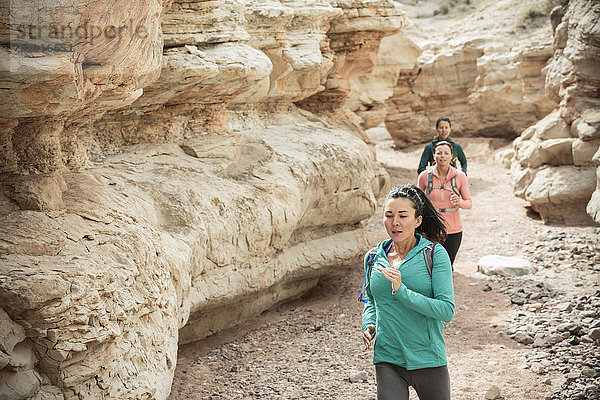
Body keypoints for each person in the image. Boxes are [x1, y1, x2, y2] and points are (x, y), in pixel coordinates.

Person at [361, 184, 455, 400]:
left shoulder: (434, 254)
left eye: (403, 215)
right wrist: (369, 324)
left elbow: (446, 310)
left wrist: (402, 292)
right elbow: (371, 301)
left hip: (428, 359)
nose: (395, 222)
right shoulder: (374, 257)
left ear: (418, 220)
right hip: (388, 358)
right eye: (389, 215)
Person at [417, 140, 472, 266]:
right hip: (430, 230)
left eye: (446, 153)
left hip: (453, 230)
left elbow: (469, 203)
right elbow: (416, 203)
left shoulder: (460, 176)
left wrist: (460, 202)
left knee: (447, 265)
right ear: (434, 156)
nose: (442, 156)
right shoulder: (424, 176)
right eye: (439, 153)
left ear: (451, 156)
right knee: (428, 266)